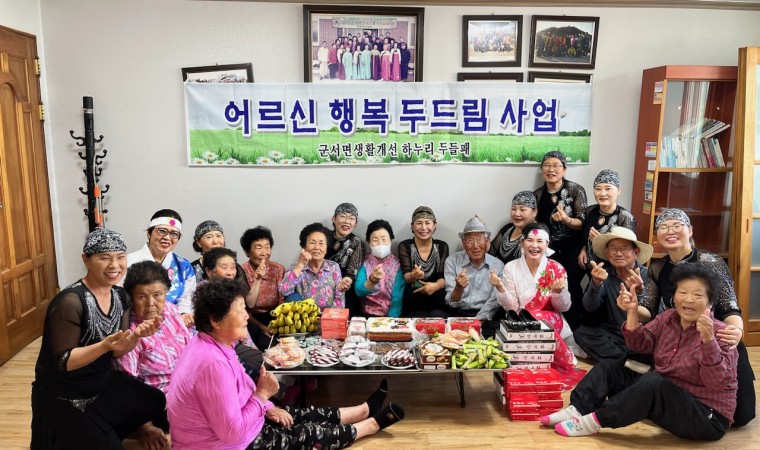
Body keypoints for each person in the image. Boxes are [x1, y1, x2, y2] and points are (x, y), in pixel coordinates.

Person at [166, 279, 405, 449]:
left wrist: (267, 405)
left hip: (236, 428)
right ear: (215, 321)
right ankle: (369, 426)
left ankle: (362, 410)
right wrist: (262, 395)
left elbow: (243, 386)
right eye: (240, 311)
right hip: (224, 444)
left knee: (297, 414)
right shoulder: (212, 364)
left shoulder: (213, 343)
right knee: (307, 433)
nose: (247, 316)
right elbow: (232, 433)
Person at [542, 264, 738, 441]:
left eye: (698, 295)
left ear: (710, 303)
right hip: (666, 398)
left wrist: (708, 340)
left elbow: (716, 381)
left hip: (705, 416)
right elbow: (639, 345)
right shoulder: (669, 318)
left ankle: (594, 422)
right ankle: (577, 409)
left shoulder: (722, 333)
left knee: (653, 382)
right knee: (610, 367)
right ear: (674, 297)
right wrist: (632, 311)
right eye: (683, 292)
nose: (688, 299)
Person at [31, 228, 165, 449]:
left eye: (120, 257)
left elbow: (118, 350)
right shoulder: (70, 301)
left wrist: (136, 336)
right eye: (104, 258)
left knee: (154, 400)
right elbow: (64, 362)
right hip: (65, 393)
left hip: (101, 383)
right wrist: (102, 346)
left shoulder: (120, 296)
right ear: (86, 259)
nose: (115, 265)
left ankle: (101, 428)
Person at [641, 208, 756, 426]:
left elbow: (729, 306)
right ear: (657, 234)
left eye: (677, 226)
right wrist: (629, 307)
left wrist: (737, 331)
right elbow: (648, 309)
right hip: (681, 341)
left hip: (715, 338)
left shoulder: (709, 261)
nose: (670, 231)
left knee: (742, 415)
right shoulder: (657, 267)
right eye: (664, 227)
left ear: (690, 230)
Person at [116, 260, 192, 447]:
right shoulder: (129, 333)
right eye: (141, 296)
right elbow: (127, 387)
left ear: (166, 293)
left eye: (157, 295)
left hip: (188, 390)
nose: (151, 303)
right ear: (131, 298)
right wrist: (146, 427)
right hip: (160, 405)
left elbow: (191, 350)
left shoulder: (171, 310)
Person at [493, 223, 575, 370]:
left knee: (536, 317)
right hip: (520, 319)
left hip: (551, 320)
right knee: (529, 318)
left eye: (540, 241)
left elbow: (564, 307)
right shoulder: (510, 268)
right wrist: (500, 288)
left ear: (547, 244)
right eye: (530, 240)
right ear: (522, 242)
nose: (534, 245)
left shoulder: (557, 268)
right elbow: (511, 307)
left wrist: (557, 292)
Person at [572, 226, 653, 363]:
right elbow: (589, 307)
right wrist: (596, 283)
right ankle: (625, 362)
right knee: (581, 333)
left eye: (624, 249)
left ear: (635, 252)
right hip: (615, 333)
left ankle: (618, 361)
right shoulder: (605, 274)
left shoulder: (649, 275)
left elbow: (655, 315)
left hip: (642, 333)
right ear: (607, 252)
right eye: (613, 249)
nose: (618, 253)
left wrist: (638, 293)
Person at [533, 151, 588, 330]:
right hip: (550, 251)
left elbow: (583, 223)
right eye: (547, 165)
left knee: (571, 286)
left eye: (556, 165)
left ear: (564, 169)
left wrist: (566, 220)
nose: (551, 169)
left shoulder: (575, 190)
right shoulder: (537, 195)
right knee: (548, 288)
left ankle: (574, 329)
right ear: (542, 169)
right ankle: (552, 327)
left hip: (573, 249)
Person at [126, 209, 196, 328]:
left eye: (174, 234)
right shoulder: (128, 261)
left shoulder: (183, 266)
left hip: (176, 323)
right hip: (138, 325)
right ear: (149, 233)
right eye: (162, 231)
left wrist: (184, 312)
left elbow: (188, 296)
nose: (167, 237)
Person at [444, 215, 505, 338]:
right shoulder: (452, 261)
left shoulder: (497, 265)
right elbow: (452, 302)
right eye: (470, 241)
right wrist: (458, 288)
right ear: (463, 243)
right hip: (458, 314)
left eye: (479, 240)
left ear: (487, 241)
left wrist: (476, 323)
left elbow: (494, 301)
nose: (475, 246)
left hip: (485, 316)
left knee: (500, 331)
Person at [279, 222, 345, 310]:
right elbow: (284, 291)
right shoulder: (295, 267)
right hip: (303, 316)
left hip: (329, 316)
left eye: (321, 243)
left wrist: (329, 316)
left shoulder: (333, 267)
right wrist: (300, 265)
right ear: (304, 247)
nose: (317, 247)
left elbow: (339, 297)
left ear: (326, 248)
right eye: (312, 242)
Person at [578, 169, 636, 268]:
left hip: (613, 270)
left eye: (608, 189)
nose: (602, 193)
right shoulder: (589, 211)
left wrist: (601, 241)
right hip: (590, 268)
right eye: (598, 189)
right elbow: (585, 238)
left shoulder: (625, 217)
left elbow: (626, 252)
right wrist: (584, 249)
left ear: (618, 190)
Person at [240, 226, 285, 352]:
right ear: (247, 252)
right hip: (252, 319)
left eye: (267, 247)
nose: (264, 252)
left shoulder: (278, 269)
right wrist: (261, 327)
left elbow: (282, 300)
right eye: (258, 248)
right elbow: (243, 308)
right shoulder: (241, 271)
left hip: (275, 316)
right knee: (267, 347)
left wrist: (278, 323)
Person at [398, 206, 449, 317]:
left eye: (427, 223)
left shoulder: (442, 246)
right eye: (419, 223)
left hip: (437, 297)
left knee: (438, 317)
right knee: (416, 320)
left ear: (434, 225)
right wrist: (414, 275)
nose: (423, 227)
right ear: (412, 226)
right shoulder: (405, 245)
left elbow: (442, 275)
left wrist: (435, 286)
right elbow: (406, 276)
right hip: (414, 297)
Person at [355, 219, 405, 317]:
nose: (380, 243)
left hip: (391, 316)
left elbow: (397, 296)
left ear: (391, 240)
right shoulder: (364, 263)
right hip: (367, 315)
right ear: (369, 242)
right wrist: (372, 281)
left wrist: (390, 320)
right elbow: (359, 291)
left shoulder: (398, 265)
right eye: (375, 240)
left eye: (383, 239)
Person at [325, 203, 365, 317]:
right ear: (334, 218)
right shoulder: (323, 238)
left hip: (345, 290)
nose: (347, 221)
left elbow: (352, 270)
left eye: (351, 218)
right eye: (343, 216)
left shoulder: (356, 242)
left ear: (355, 223)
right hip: (321, 286)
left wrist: (347, 281)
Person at [489, 191, 538, 264]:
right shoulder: (508, 228)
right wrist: (482, 235)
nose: (516, 214)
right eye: (514, 209)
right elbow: (493, 252)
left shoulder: (538, 235)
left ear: (535, 212)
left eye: (522, 209)